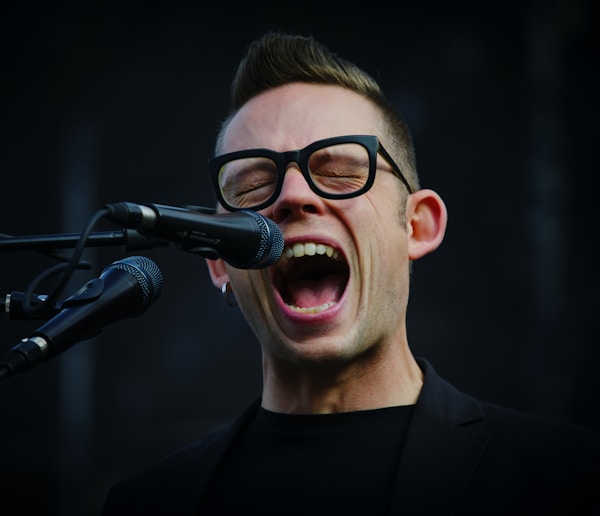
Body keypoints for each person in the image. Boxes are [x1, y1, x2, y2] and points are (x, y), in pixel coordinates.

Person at [102, 31, 600, 515]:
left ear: (417, 226)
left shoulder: (566, 477)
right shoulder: (150, 504)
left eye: (339, 170)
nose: (293, 196)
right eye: (253, 184)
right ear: (219, 262)